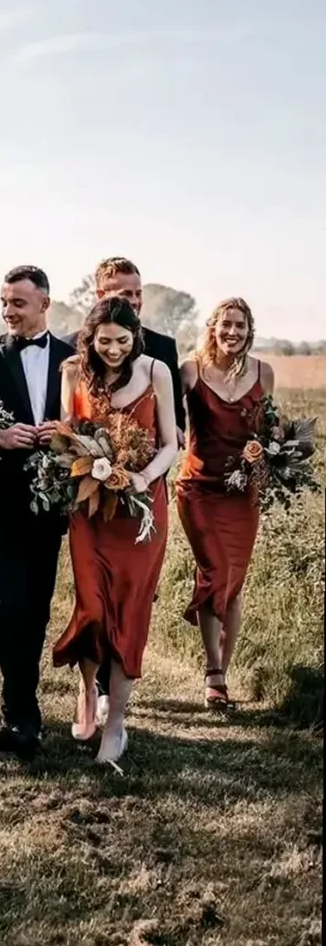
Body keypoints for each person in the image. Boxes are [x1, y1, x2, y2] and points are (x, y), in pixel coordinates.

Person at [54, 297, 177, 765]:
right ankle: (88, 691)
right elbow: (67, 435)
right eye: (103, 341)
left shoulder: (156, 371)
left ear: (135, 337)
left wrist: (144, 477)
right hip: (90, 511)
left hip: (141, 511)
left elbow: (171, 443)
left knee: (128, 611)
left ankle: (116, 724)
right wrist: (66, 454)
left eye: (122, 341)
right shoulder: (73, 372)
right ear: (90, 338)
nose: (113, 350)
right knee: (92, 606)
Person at [0, 266, 75, 760]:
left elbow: (93, 421)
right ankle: (18, 712)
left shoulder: (73, 358)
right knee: (9, 604)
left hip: (52, 503)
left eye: (19, 303)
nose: (9, 311)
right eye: (4, 302)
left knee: (38, 606)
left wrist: (66, 434)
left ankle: (26, 707)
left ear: (45, 303)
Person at [176, 298, 274, 710]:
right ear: (212, 327)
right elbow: (167, 419)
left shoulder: (263, 373)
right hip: (199, 488)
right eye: (226, 324)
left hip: (242, 495)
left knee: (233, 584)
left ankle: (221, 674)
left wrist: (275, 458)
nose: (233, 332)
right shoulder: (190, 369)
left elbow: (267, 432)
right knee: (215, 570)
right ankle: (213, 671)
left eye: (240, 325)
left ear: (249, 330)